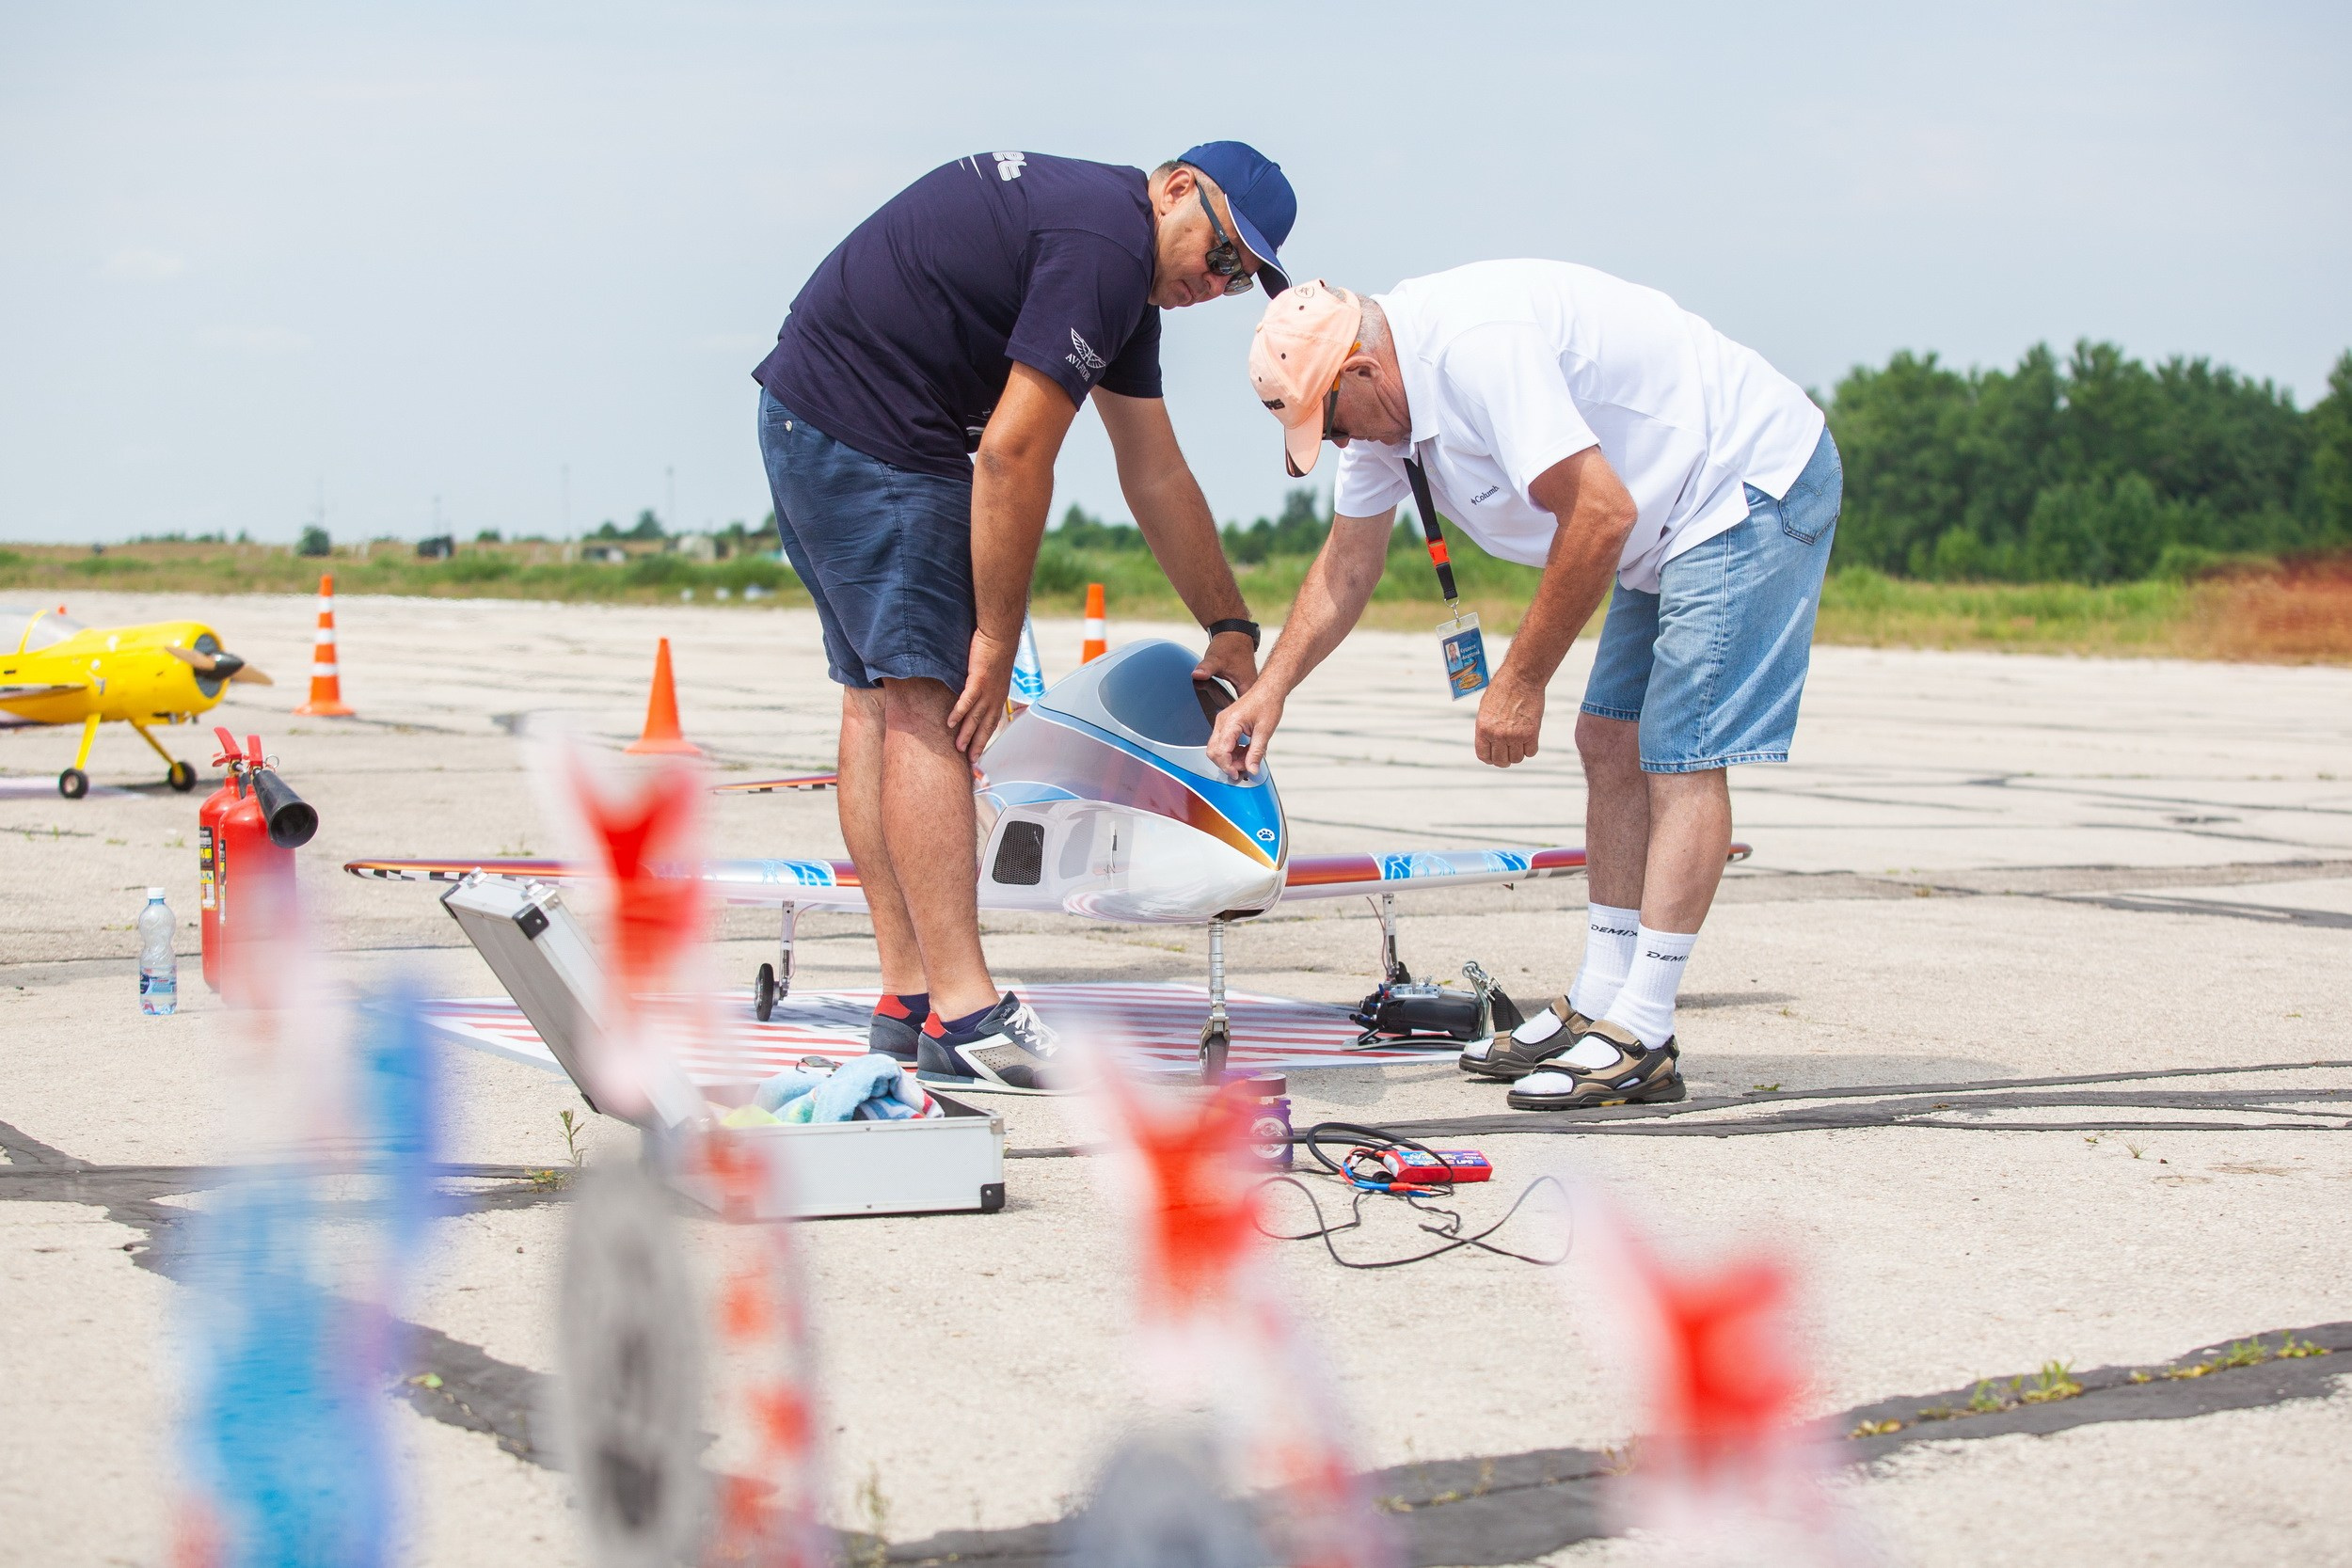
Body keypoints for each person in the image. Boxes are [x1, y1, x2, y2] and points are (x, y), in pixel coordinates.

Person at [1207, 265, 1841, 1109]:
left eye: (1331, 425)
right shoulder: (1384, 418)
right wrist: (1273, 687)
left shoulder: (1476, 352)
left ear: (1360, 372)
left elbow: (1600, 514)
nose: (1336, 446)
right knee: (1609, 739)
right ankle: (1602, 999)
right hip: (1664, 522)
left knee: (1681, 753)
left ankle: (1644, 1030)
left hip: (1743, 485)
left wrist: (1519, 679)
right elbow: (1347, 565)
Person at [753, 144, 1295, 1091]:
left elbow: (1154, 470)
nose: (1218, 285)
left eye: (1239, 278)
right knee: (935, 706)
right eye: (1221, 256)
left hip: (812, 414)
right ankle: (966, 1012)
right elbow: (1010, 453)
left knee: (877, 704)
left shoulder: (1113, 267)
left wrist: (1230, 621)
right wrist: (995, 643)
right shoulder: (1103, 246)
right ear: (1173, 188)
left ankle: (909, 996)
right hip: (879, 433)